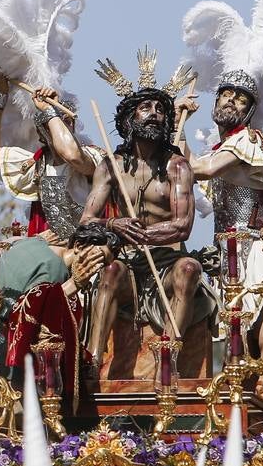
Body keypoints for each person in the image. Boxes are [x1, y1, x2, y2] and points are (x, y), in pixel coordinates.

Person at [81, 51, 218, 363]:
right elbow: (87, 219)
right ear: (130, 119)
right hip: (126, 261)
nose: (154, 113)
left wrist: (141, 233)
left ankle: (167, 358)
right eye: (146, 108)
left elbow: (182, 225)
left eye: (160, 109)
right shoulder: (110, 166)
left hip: (168, 261)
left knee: (189, 269)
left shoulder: (177, 166)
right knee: (111, 271)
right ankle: (93, 360)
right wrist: (113, 225)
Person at [176, 70, 263, 405]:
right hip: (226, 249)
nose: (230, 100)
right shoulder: (222, 147)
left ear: (248, 110)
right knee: (226, 319)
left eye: (240, 98)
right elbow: (188, 163)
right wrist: (179, 123)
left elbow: (201, 170)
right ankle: (232, 381)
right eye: (226, 94)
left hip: (257, 247)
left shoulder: (248, 142)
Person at [0, 226, 110, 408]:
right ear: (77, 246)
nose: (96, 269)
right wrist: (73, 284)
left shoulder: (31, 244)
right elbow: (32, 314)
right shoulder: (55, 270)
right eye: (97, 259)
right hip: (13, 373)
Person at [0, 66, 103, 241]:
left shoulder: (93, 158)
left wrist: (49, 111)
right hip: (50, 253)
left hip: (89, 247)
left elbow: (71, 154)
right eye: (50, 122)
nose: (59, 126)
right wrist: (1, 93)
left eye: (65, 121)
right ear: (40, 134)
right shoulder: (37, 164)